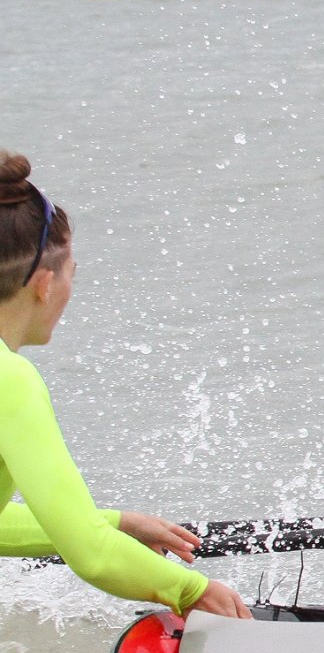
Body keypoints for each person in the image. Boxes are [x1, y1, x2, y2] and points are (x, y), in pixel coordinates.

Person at [0, 153, 249, 618]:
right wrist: (191, 590)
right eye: (75, 274)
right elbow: (91, 555)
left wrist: (114, 522)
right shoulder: (10, 379)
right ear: (44, 284)